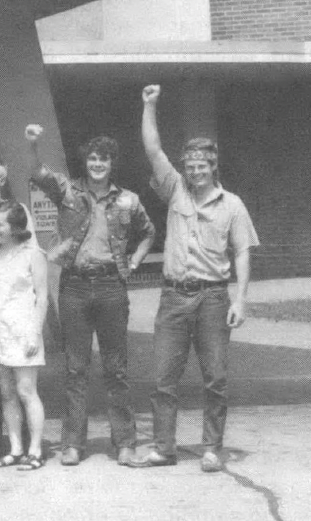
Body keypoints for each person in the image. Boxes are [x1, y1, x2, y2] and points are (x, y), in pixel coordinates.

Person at [133, 84, 260, 474]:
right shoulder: (174, 191)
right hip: (173, 297)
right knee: (162, 380)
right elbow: (153, 150)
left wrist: (240, 300)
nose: (195, 171)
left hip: (213, 298)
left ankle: (210, 448)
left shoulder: (232, 205)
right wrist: (150, 105)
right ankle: (163, 448)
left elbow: (242, 252)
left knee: (216, 378)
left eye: (202, 165)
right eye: (190, 166)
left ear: (213, 166)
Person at [27, 123, 156, 467]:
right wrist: (34, 144)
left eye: (104, 159)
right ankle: (73, 444)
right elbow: (39, 174)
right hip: (75, 286)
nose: (98, 164)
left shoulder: (128, 199)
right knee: (75, 368)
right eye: (93, 159)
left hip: (112, 286)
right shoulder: (68, 192)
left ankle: (125, 443)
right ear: (86, 162)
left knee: (116, 369)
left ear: (113, 164)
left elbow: (148, 232)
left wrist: (135, 259)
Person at [0, 201, 48, 471]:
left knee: (27, 391)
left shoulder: (33, 254)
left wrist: (34, 333)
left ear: (16, 227)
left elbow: (42, 297)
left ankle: (35, 450)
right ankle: (15, 448)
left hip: (24, 330)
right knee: (6, 393)